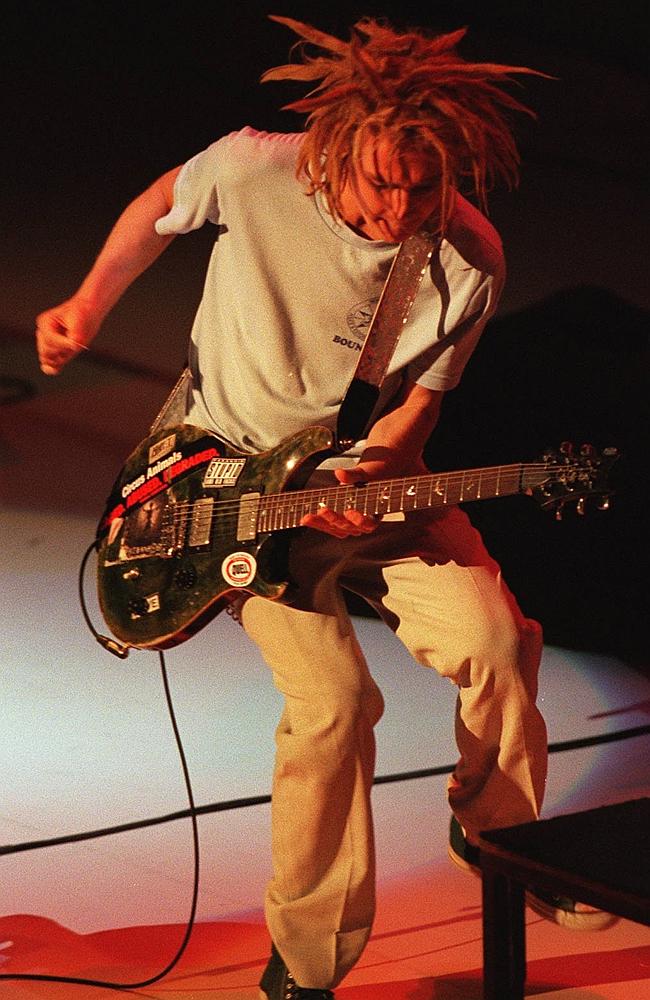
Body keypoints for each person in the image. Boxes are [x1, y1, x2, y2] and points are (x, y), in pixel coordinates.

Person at [35, 16, 614, 1000]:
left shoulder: (465, 257)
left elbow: (420, 405)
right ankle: (306, 964)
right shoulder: (255, 170)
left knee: (495, 637)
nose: (397, 206)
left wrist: (376, 465)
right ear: (338, 150)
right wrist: (87, 304)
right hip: (223, 484)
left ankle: (496, 836)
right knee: (333, 702)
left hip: (355, 480)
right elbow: (157, 205)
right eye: (379, 180)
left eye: (421, 185)